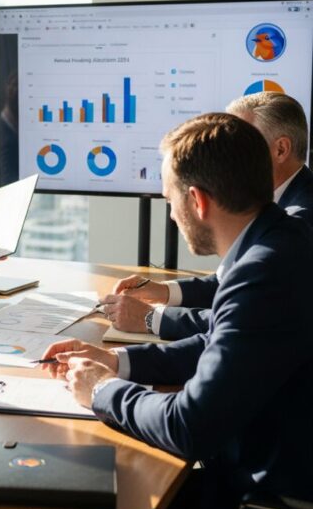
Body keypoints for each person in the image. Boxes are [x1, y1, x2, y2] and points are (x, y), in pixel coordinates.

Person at [43, 113, 313, 509]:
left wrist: (101, 390)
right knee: (121, 497)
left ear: (197, 201)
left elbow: (189, 426)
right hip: (261, 474)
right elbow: (216, 343)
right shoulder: (279, 242)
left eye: (169, 200)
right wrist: (116, 360)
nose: (170, 215)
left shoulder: (264, 269)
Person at [102, 91, 313, 339]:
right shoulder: (277, 205)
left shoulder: (300, 221)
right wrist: (164, 292)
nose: (222, 156)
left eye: (240, 144)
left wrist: (150, 318)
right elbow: (235, 281)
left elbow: (243, 316)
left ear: (281, 149)